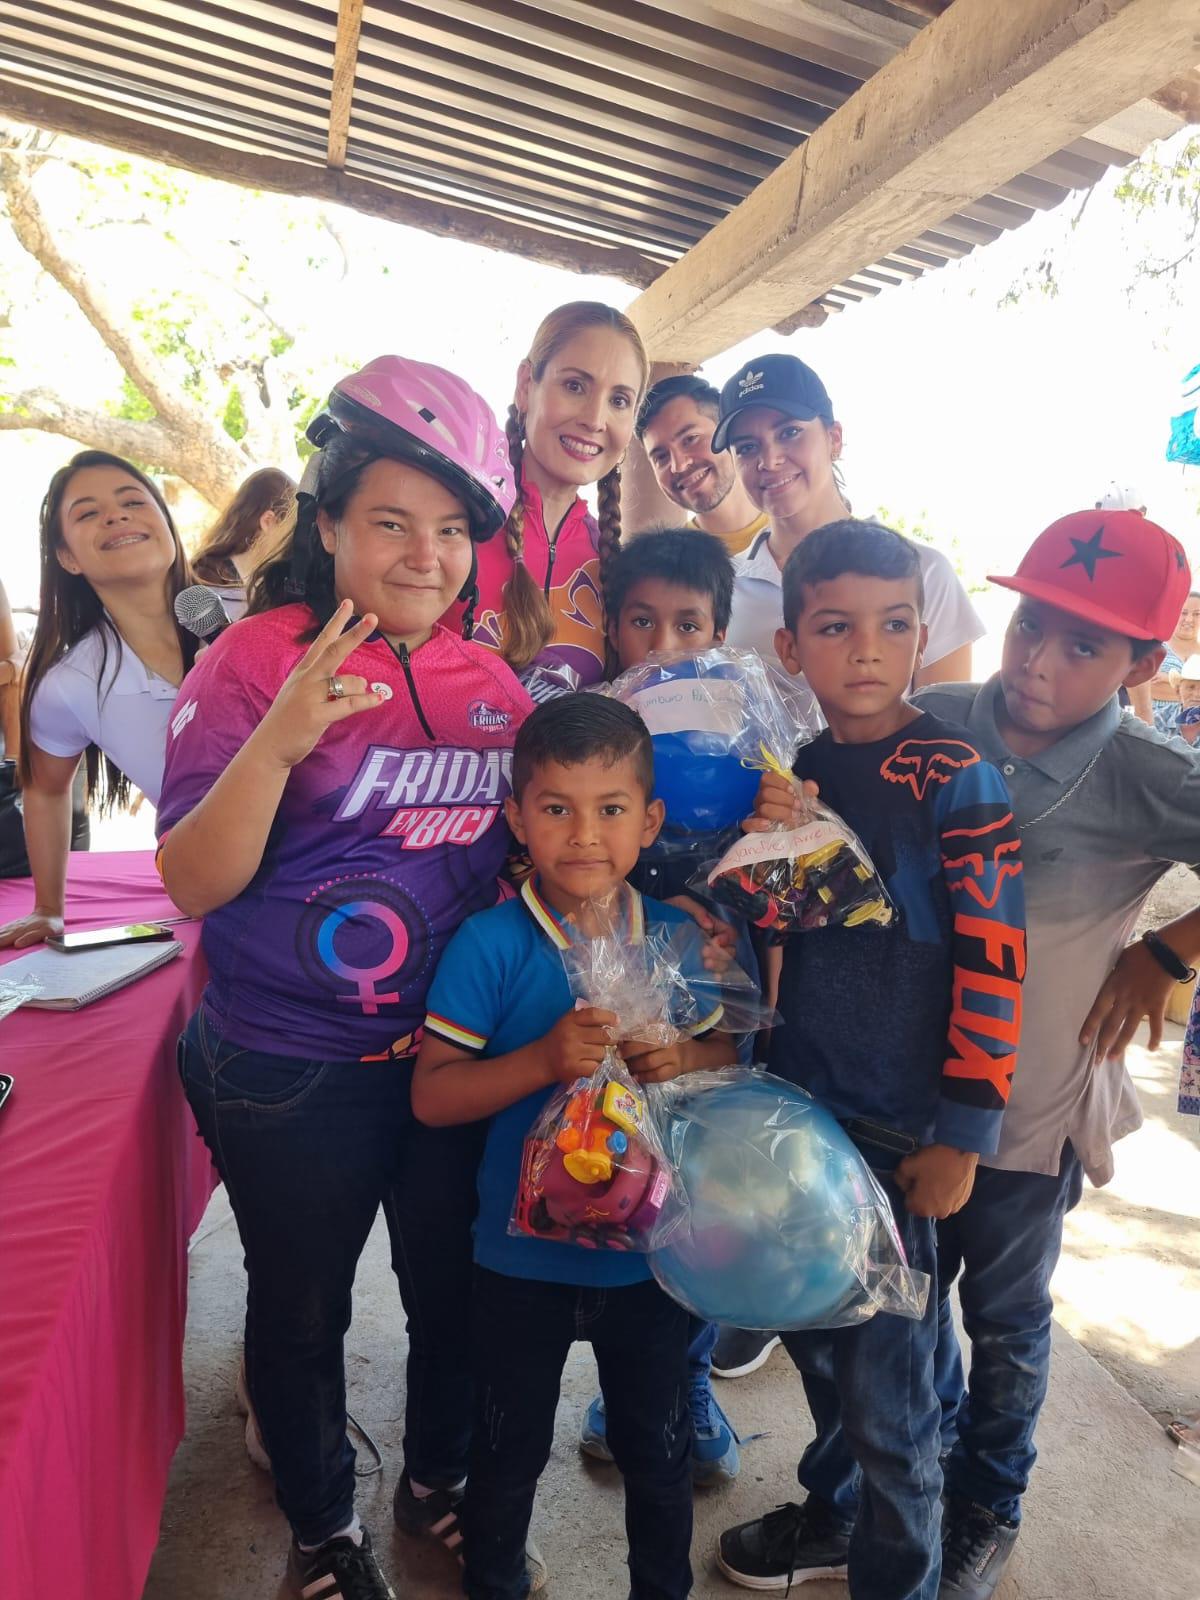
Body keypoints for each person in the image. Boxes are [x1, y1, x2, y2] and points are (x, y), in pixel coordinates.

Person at [156, 356, 532, 1600]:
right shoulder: (256, 662)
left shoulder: (491, 686)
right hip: (285, 1066)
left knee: (450, 1297)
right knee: (302, 1308)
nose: (423, 555)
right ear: (327, 526)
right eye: (388, 523)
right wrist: (280, 740)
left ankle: (435, 1482)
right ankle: (323, 1531)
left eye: (447, 530)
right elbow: (192, 881)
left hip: (440, 1064)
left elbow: (519, 867)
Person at [785, 509, 1200, 1599]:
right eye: (1032, 626)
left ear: (1144, 664)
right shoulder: (935, 717)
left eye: (1084, 647)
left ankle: (984, 1507)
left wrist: (1169, 947)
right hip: (884, 1099)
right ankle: (861, 1498)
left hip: (1026, 1106)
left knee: (1004, 1320)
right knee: (867, 1324)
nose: (1038, 663)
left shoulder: (1146, 770)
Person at [716, 520, 1025, 1600]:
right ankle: (838, 1514)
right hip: (808, 1117)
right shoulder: (795, 769)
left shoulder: (957, 774)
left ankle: (902, 1574)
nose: (868, 650)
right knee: (818, 1343)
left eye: (894, 625)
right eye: (837, 627)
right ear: (792, 647)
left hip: (904, 1134)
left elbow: (996, 957)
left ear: (924, 630)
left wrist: (963, 1132)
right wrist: (763, 850)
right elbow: (779, 929)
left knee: (893, 1403)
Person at [413, 694, 740, 1600]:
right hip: (517, 1263)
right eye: (555, 807)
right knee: (506, 1454)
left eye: (611, 809)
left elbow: (726, 1057)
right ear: (517, 817)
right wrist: (541, 1062)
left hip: (651, 1264)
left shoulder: (673, 940)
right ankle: (495, 1582)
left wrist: (679, 1058)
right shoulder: (490, 945)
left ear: (651, 820)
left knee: (658, 1454)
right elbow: (433, 1096)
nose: (584, 835)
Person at [0, 451, 198, 948]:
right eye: (88, 513)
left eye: (134, 500)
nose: (117, 515)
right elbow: (44, 789)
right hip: (230, 889)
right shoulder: (72, 683)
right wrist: (49, 908)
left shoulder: (255, 609)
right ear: (67, 556)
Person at [715, 355, 985, 686]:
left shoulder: (925, 571)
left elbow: (942, 724)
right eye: (746, 447)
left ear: (834, 439)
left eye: (790, 432)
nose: (769, 460)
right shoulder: (722, 589)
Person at [463, 301, 649, 687]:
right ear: (526, 386)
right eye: (575, 386)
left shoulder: (614, 562)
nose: (595, 420)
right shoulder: (456, 520)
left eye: (619, 400)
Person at [636, 374, 769, 556]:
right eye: (661, 457)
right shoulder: (664, 567)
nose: (679, 466)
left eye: (690, 439)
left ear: (727, 432)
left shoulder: (800, 532)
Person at [190, 466, 298, 620]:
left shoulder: (279, 581)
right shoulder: (205, 579)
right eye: (291, 530)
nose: (295, 540)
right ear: (268, 521)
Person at [1147, 588, 1200, 734]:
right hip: (1154, 721)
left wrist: (1165, 680)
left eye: (1197, 614)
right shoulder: (1156, 647)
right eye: (1184, 613)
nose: (1189, 619)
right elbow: (1143, 685)